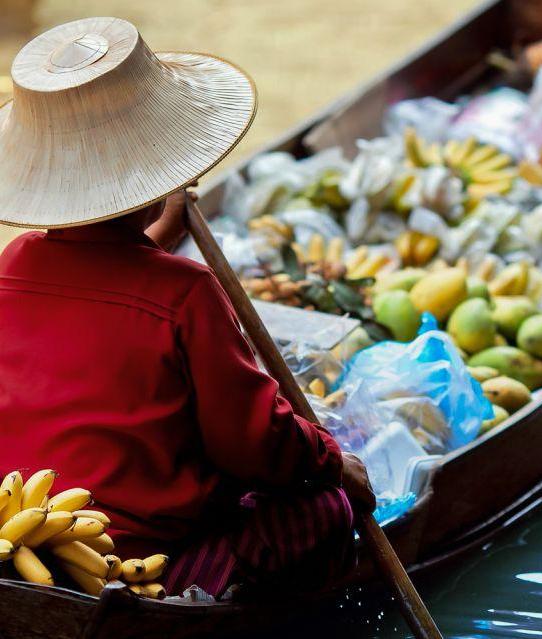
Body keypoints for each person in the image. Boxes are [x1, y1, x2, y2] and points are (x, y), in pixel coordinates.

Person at [0, 17, 374, 598]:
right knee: (321, 509)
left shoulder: (13, 264)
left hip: (18, 537)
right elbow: (253, 446)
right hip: (127, 559)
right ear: (159, 175)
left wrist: (157, 237)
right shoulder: (185, 292)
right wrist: (331, 462)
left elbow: (104, 288)